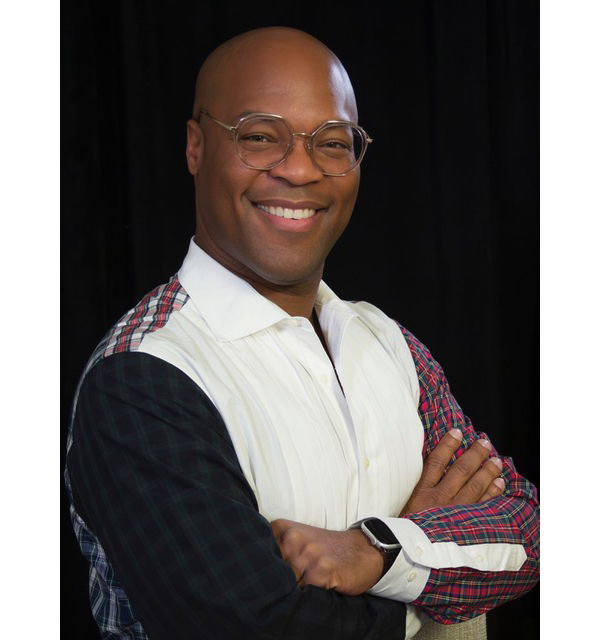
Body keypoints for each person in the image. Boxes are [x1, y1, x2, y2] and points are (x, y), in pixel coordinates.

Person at [65, 26, 539, 640]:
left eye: (333, 143)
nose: (299, 169)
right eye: (260, 137)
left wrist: (377, 550)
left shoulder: (389, 343)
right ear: (195, 147)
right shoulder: (142, 378)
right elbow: (258, 631)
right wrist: (425, 565)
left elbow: (529, 531)